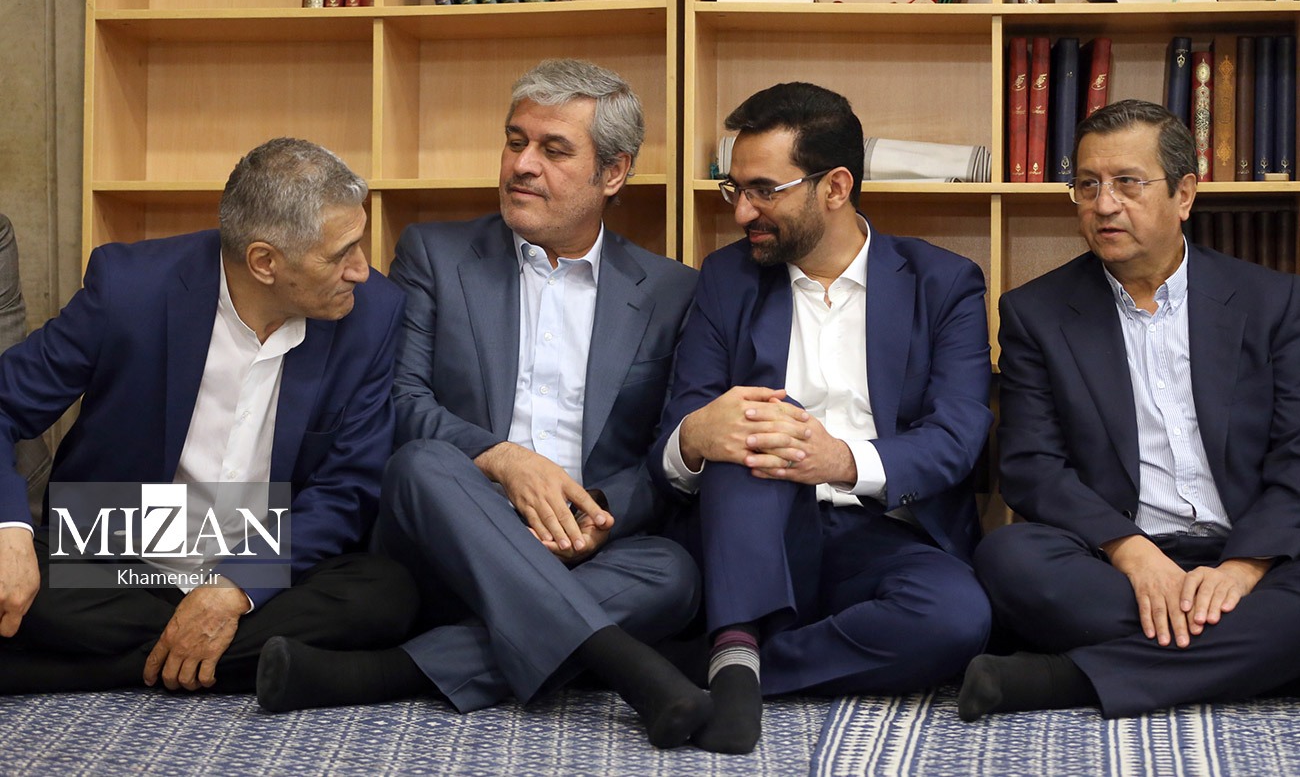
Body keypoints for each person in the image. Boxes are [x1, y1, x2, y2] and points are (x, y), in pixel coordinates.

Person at [256, 59, 709, 748]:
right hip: (447, 533)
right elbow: (401, 400)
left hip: (580, 544)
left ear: (613, 173)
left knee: (672, 572)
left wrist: (594, 515)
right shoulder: (435, 255)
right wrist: (503, 459)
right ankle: (629, 666)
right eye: (515, 141)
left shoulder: (672, 291)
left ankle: (382, 673)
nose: (523, 164)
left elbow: (663, 453)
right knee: (423, 461)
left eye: (554, 149)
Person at [0, 137, 416, 695]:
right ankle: (263, 661)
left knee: (385, 593)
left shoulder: (372, 313)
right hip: (122, 549)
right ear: (264, 262)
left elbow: (347, 488)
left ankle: (79, 670)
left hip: (268, 554)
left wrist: (234, 587)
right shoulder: (130, 287)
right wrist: (8, 531)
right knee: (26, 578)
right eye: (341, 254)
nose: (362, 270)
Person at [649, 82, 993, 754]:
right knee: (758, 425)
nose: (741, 210)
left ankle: (726, 666)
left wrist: (839, 459)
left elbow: (956, 438)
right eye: (734, 189)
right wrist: (695, 436)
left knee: (956, 619)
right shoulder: (725, 278)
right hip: (754, 527)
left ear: (835, 187)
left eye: (764, 190)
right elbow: (675, 433)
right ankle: (738, 665)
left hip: (884, 532)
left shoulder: (943, 283)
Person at [961, 99, 1300, 721]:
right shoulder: (1037, 313)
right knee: (1009, 560)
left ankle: (1066, 680)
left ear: (1184, 194)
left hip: (1252, 548)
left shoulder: (1273, 302)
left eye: (1127, 183)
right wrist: (1133, 553)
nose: (1104, 204)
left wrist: (1244, 567)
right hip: (1112, 558)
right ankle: (1250, 653)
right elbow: (1032, 467)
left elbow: (1296, 456)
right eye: (1087, 185)